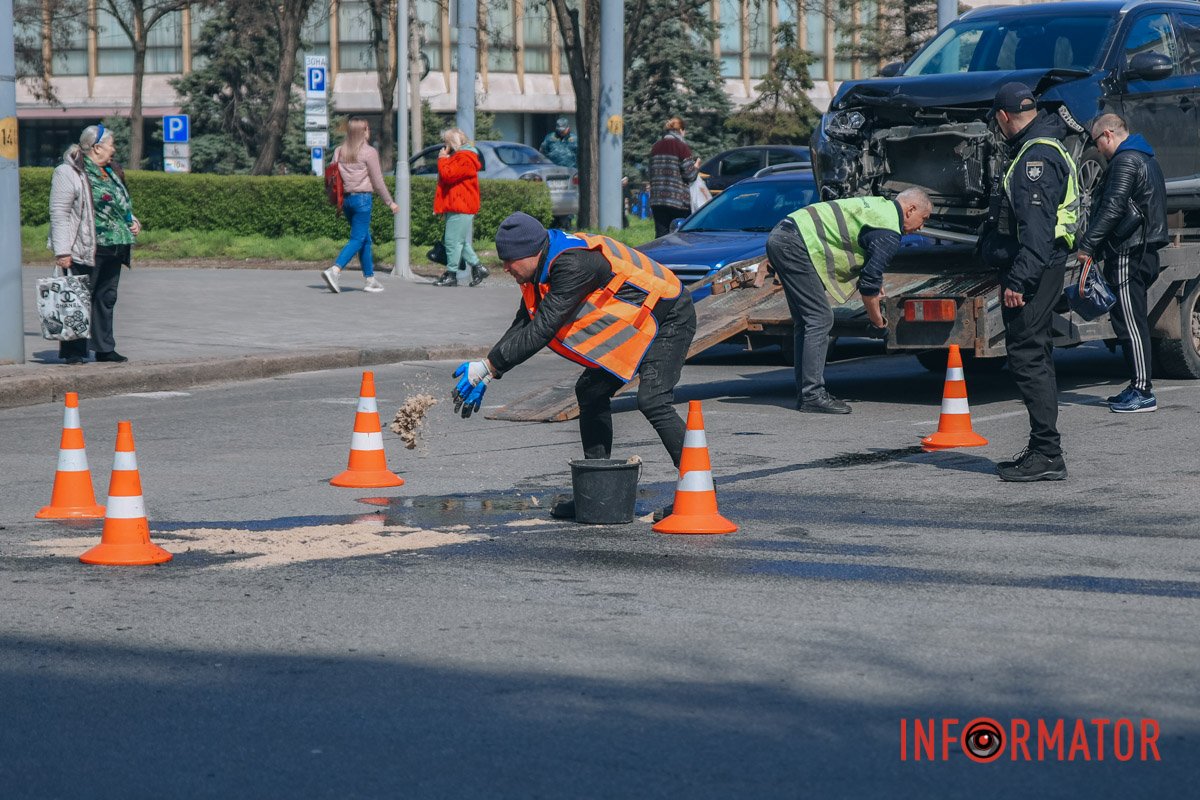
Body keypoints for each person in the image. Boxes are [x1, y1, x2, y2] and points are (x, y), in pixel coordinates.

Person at [449, 212, 696, 520]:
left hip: (669, 315)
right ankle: (597, 493)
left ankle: (699, 489)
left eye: (509, 261)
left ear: (529, 252)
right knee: (590, 392)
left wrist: (488, 366)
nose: (506, 268)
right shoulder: (540, 268)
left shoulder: (572, 265)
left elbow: (543, 328)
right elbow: (525, 321)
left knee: (653, 400)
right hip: (637, 322)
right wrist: (490, 368)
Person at [980, 82, 1080, 481]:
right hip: (1045, 266)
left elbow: (1036, 234)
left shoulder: (1034, 158)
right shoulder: (1047, 145)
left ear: (1004, 117)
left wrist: (1019, 281)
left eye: (997, 121)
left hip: (1035, 270)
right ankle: (1045, 450)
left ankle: (1047, 452)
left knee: (1027, 357)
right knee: (1036, 354)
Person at [765, 188, 932, 414]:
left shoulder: (879, 206)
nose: (922, 227)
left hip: (783, 235)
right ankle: (812, 394)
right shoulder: (889, 231)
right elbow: (869, 288)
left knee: (807, 321)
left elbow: (866, 269)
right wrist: (879, 323)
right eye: (924, 219)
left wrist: (871, 280)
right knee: (820, 319)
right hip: (794, 243)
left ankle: (807, 392)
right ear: (910, 209)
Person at [1075, 113, 1169, 413]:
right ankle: (1137, 385)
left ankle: (1143, 390)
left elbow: (1114, 207)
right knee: (1130, 319)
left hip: (1130, 252)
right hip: (1141, 249)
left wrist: (1088, 244)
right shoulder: (1145, 156)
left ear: (1107, 135)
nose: (1098, 150)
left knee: (1130, 321)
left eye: (1096, 142)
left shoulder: (1125, 160)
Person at [48, 123, 141, 365]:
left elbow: (119, 206)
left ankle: (104, 348)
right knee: (78, 298)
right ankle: (74, 351)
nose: (115, 149)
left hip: (115, 245)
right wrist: (62, 251)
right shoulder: (68, 172)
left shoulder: (111, 171)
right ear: (97, 147)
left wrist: (132, 222)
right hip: (86, 245)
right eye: (111, 144)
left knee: (106, 297)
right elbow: (59, 213)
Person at [321, 117, 399, 294]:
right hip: (363, 199)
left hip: (346, 201)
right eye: (367, 129)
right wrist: (390, 202)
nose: (369, 131)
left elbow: (333, 177)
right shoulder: (369, 152)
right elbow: (377, 181)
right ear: (363, 131)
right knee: (357, 239)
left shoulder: (339, 151)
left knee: (364, 238)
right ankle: (334, 270)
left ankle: (370, 279)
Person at [432, 128, 488, 288]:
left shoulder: (465, 157)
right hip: (457, 204)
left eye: (446, 143)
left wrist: (442, 159)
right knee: (459, 242)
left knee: (451, 241)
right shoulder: (461, 156)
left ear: (452, 143)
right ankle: (478, 267)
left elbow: (448, 175)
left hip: (461, 204)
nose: (445, 146)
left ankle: (451, 274)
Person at [648, 117, 700, 237]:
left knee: (661, 236)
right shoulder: (682, 147)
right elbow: (690, 175)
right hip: (678, 201)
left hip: (657, 201)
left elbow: (650, 173)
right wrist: (696, 167)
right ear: (681, 130)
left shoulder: (655, 147)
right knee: (679, 236)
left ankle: (658, 256)